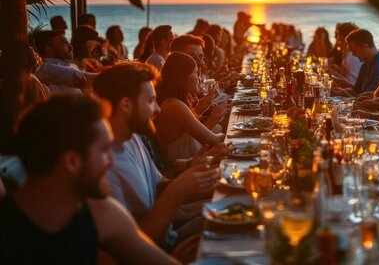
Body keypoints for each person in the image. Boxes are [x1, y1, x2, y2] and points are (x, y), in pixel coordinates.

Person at [0, 95, 179, 264]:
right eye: (104, 150)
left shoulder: (103, 215)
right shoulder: (99, 216)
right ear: (72, 161)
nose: (111, 161)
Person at [92, 63, 218, 248]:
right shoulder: (105, 168)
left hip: (172, 236)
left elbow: (158, 185)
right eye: (151, 101)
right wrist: (176, 192)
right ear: (125, 105)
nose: (158, 110)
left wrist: (196, 173)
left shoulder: (132, 137)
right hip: (159, 250)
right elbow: (129, 246)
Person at [155, 53, 228, 168]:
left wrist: (215, 118)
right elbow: (214, 140)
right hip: (186, 172)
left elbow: (193, 137)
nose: (199, 77)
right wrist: (235, 132)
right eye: (195, 73)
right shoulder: (173, 105)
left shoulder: (175, 102)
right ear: (184, 77)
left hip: (195, 164)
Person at [33, 30, 97, 95]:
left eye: (68, 43)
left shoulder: (70, 66)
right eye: (64, 43)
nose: (71, 47)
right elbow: (79, 78)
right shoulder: (45, 69)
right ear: (48, 50)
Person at [331, 29, 379, 97]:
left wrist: (341, 93)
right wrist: (337, 91)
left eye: (355, 51)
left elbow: (368, 98)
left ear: (365, 47)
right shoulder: (365, 64)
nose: (353, 54)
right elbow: (356, 91)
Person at [329, 22, 361, 88]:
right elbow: (346, 76)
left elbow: (353, 85)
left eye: (340, 39)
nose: (338, 43)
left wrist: (331, 72)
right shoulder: (347, 54)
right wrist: (337, 69)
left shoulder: (354, 57)